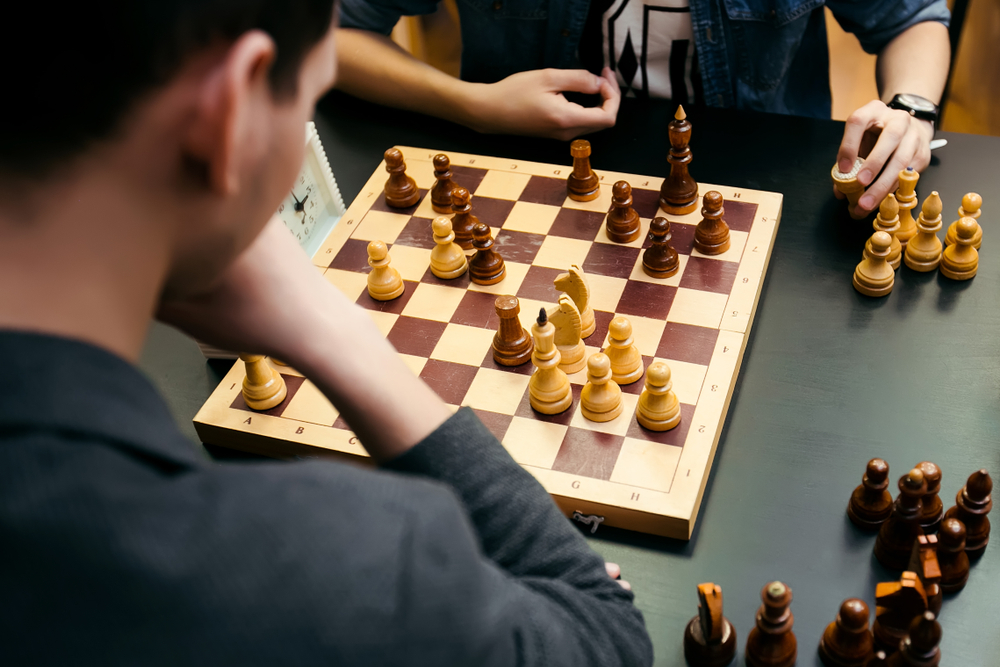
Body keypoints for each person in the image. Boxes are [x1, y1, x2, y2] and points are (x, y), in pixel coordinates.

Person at [0, 2, 652, 665]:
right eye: (310, 92)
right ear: (232, 115)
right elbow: (605, 638)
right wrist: (331, 328)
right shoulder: (335, 566)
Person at [336, 0, 950, 218]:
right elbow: (333, 34)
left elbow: (913, 18)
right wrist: (476, 106)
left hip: (768, 198)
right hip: (525, 182)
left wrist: (911, 106)